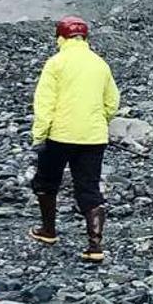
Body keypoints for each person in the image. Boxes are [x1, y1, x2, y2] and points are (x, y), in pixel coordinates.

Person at [29, 15, 121, 261]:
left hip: (59, 136)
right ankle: (94, 246)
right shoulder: (100, 64)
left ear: (61, 37)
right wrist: (98, 120)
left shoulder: (56, 63)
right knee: (88, 187)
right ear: (85, 37)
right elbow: (112, 101)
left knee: (46, 182)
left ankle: (48, 230)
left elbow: (44, 103)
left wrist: (39, 135)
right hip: (93, 137)